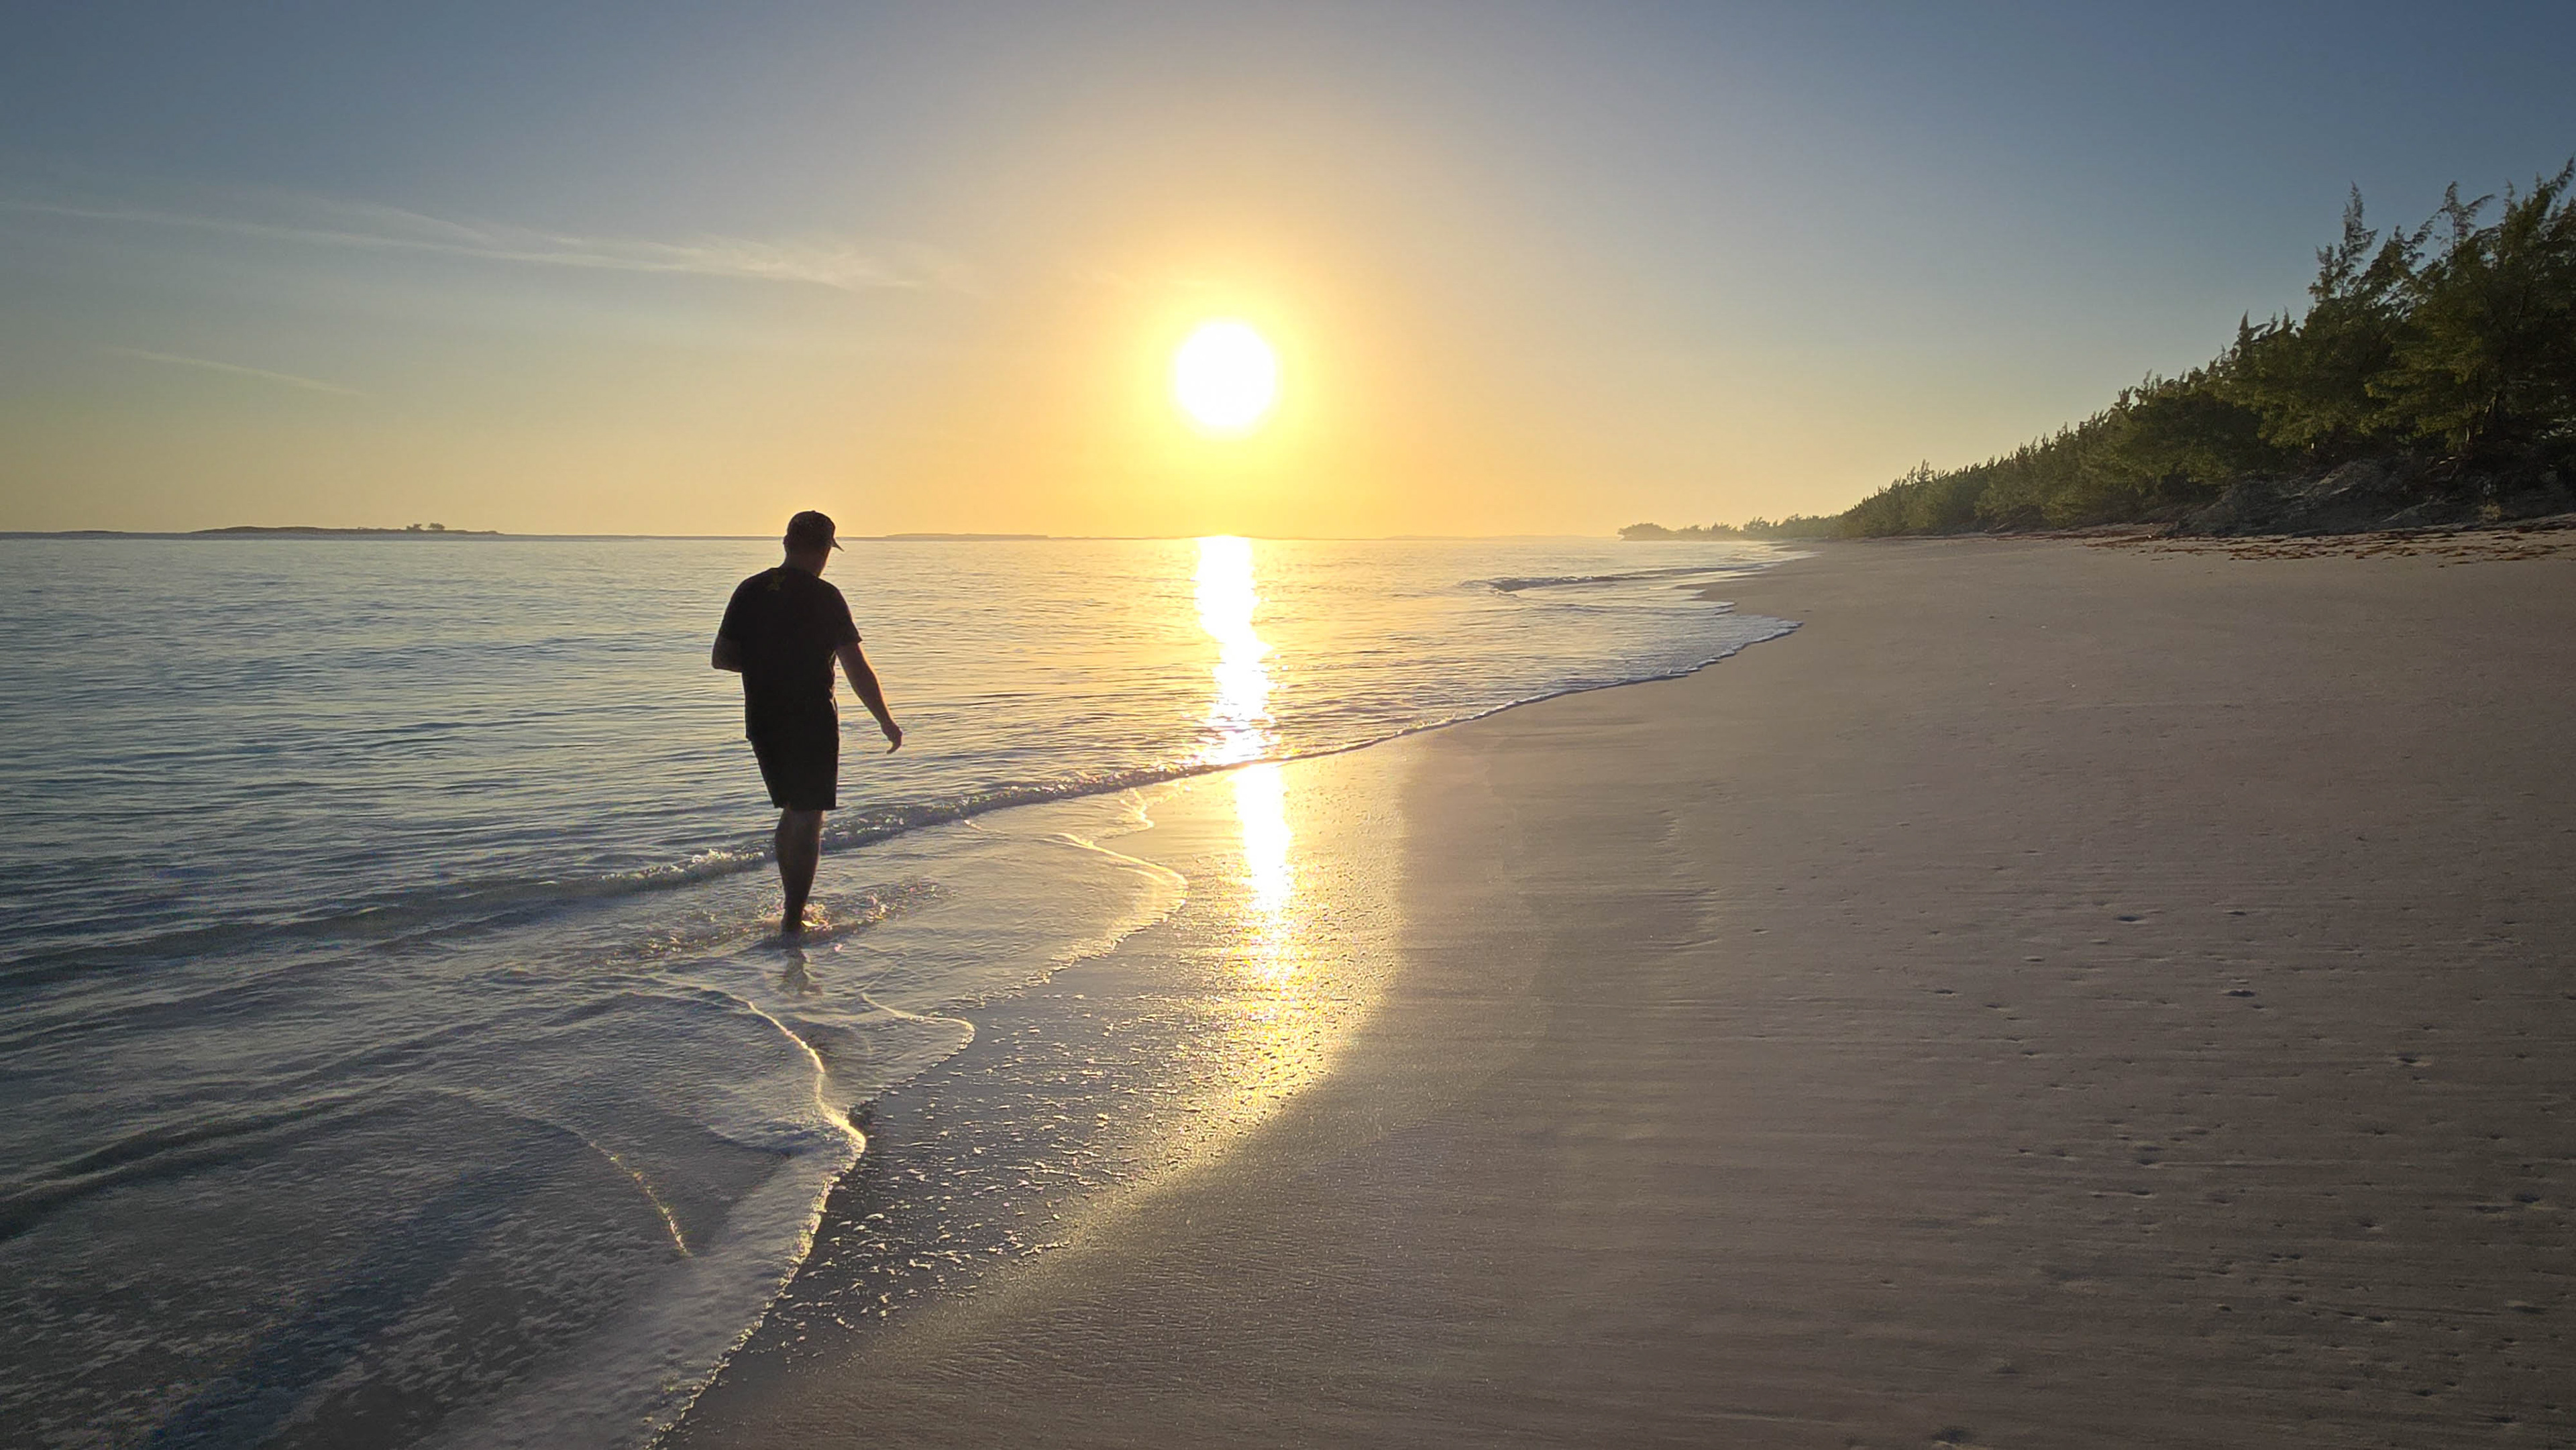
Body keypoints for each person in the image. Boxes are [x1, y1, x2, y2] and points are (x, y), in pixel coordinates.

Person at [712, 510, 902, 934]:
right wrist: (886, 722)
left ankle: (789, 905)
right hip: (811, 718)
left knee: (792, 808)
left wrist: (767, 662)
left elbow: (721, 658)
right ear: (823, 551)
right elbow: (857, 669)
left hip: (761, 717)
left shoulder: (750, 589)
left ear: (785, 542)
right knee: (807, 815)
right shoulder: (825, 597)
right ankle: (794, 919)